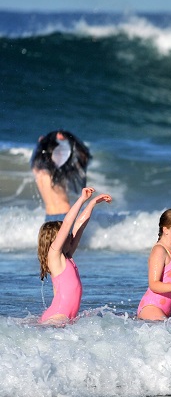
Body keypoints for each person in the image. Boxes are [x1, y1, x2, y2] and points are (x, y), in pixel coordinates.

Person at [37, 187, 111, 325]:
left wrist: (92, 203)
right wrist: (82, 199)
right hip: (57, 317)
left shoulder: (67, 256)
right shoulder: (54, 256)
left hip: (65, 319)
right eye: (66, 235)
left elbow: (79, 226)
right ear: (56, 239)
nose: (70, 236)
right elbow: (67, 224)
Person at [30, 130, 92, 222]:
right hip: (64, 216)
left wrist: (40, 143)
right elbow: (84, 153)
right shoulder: (58, 172)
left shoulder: (37, 171)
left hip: (48, 218)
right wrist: (67, 137)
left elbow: (33, 157)